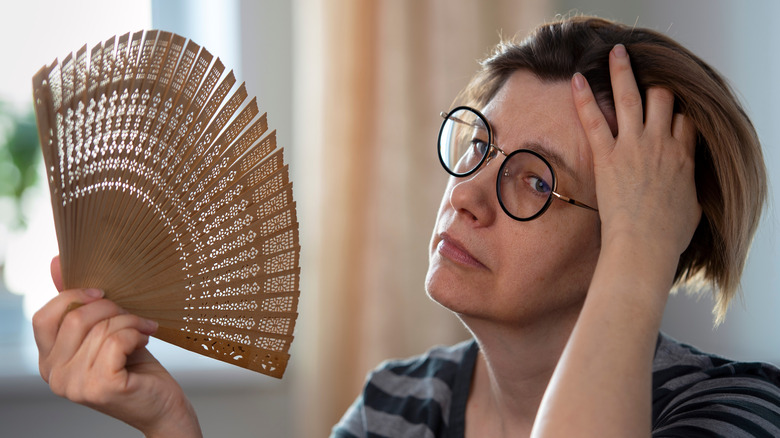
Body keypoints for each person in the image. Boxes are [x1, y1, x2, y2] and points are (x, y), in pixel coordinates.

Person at [32, 15, 779, 438]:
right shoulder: (399, 405)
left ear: (636, 236)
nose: (468, 195)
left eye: (536, 181)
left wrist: (644, 253)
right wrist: (170, 424)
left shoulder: (739, 412)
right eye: (477, 147)